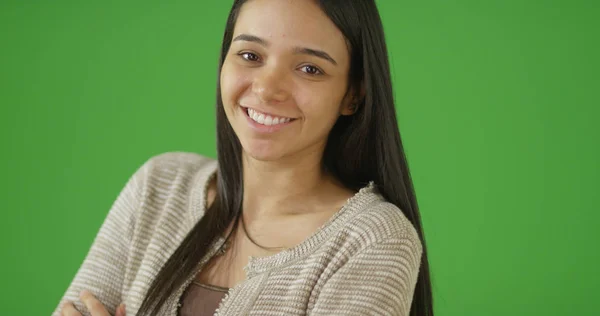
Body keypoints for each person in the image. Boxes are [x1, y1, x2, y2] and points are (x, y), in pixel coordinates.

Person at [54, 0, 434, 315]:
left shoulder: (374, 240)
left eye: (309, 68)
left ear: (353, 95)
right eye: (250, 55)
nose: (267, 89)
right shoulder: (159, 185)